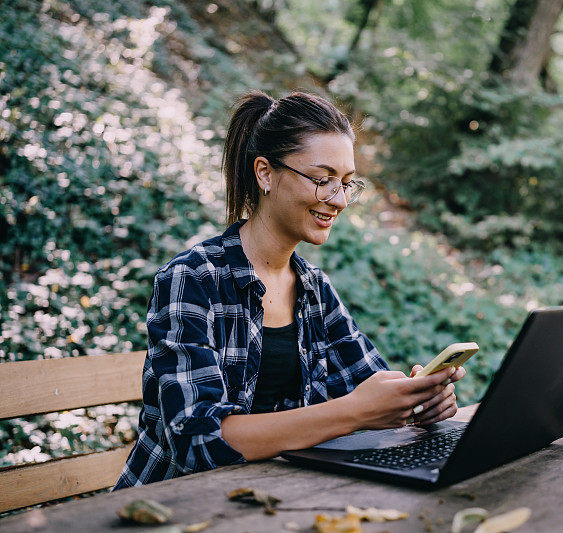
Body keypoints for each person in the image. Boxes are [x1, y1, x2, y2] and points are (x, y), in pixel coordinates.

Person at [113, 90, 466, 489]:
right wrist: (354, 411)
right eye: (322, 180)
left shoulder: (314, 289)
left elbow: (370, 386)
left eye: (348, 183)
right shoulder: (192, 279)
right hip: (171, 506)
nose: (339, 200)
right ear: (265, 173)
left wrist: (417, 399)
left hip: (273, 499)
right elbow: (198, 442)